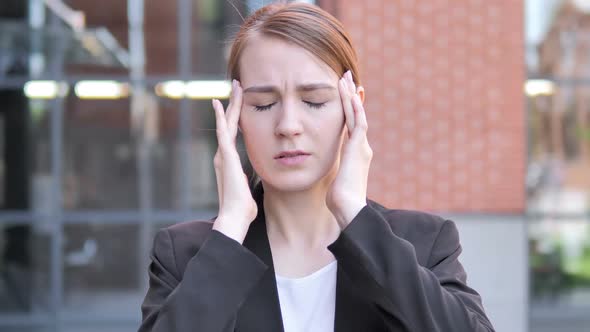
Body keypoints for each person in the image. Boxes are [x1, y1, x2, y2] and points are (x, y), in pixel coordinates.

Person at [138, 2, 495, 331]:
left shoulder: (422, 243)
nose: (288, 125)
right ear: (236, 117)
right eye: (263, 105)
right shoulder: (186, 254)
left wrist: (354, 214)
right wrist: (231, 224)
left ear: (353, 108)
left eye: (313, 101)